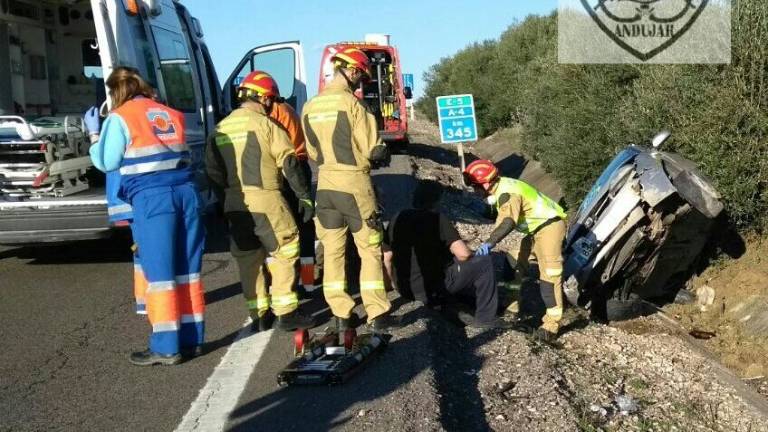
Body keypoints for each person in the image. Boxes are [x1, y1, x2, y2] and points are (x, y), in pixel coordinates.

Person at [86, 66, 205, 366]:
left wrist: (93, 135)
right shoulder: (170, 113)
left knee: (160, 273)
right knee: (187, 271)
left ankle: (166, 347)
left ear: (115, 92)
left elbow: (107, 161)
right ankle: (192, 340)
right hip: (186, 193)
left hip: (154, 199)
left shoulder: (121, 117)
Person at [206, 70, 315, 332]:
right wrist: (304, 197)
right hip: (265, 198)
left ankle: (259, 314)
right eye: (272, 101)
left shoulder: (219, 129)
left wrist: (225, 202)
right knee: (285, 250)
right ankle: (286, 312)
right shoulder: (267, 126)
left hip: (235, 202)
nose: (272, 106)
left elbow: (212, 172)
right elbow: (289, 163)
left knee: (248, 259)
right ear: (265, 99)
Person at [301, 47, 398, 331]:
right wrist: (383, 151)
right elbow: (373, 150)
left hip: (325, 184)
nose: (361, 83)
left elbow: (313, 153)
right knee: (369, 249)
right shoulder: (355, 107)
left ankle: (342, 314)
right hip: (354, 183)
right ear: (353, 70)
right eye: (362, 77)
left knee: (332, 253)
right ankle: (377, 313)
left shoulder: (309, 106)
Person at [383, 180, 513, 329]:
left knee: (448, 263)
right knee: (483, 263)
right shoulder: (437, 219)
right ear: (436, 201)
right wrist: (474, 253)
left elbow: (387, 257)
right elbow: (463, 254)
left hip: (404, 288)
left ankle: (454, 302)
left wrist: (392, 284)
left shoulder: (398, 217)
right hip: (430, 288)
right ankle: (486, 318)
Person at [463, 159, 568, 340]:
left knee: (550, 277)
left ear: (486, 183)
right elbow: (501, 212)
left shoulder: (507, 193)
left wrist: (489, 243)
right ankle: (512, 307)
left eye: (476, 187)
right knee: (513, 263)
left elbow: (508, 221)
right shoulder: (502, 188)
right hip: (536, 230)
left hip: (549, 227)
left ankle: (551, 325)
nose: (475, 191)